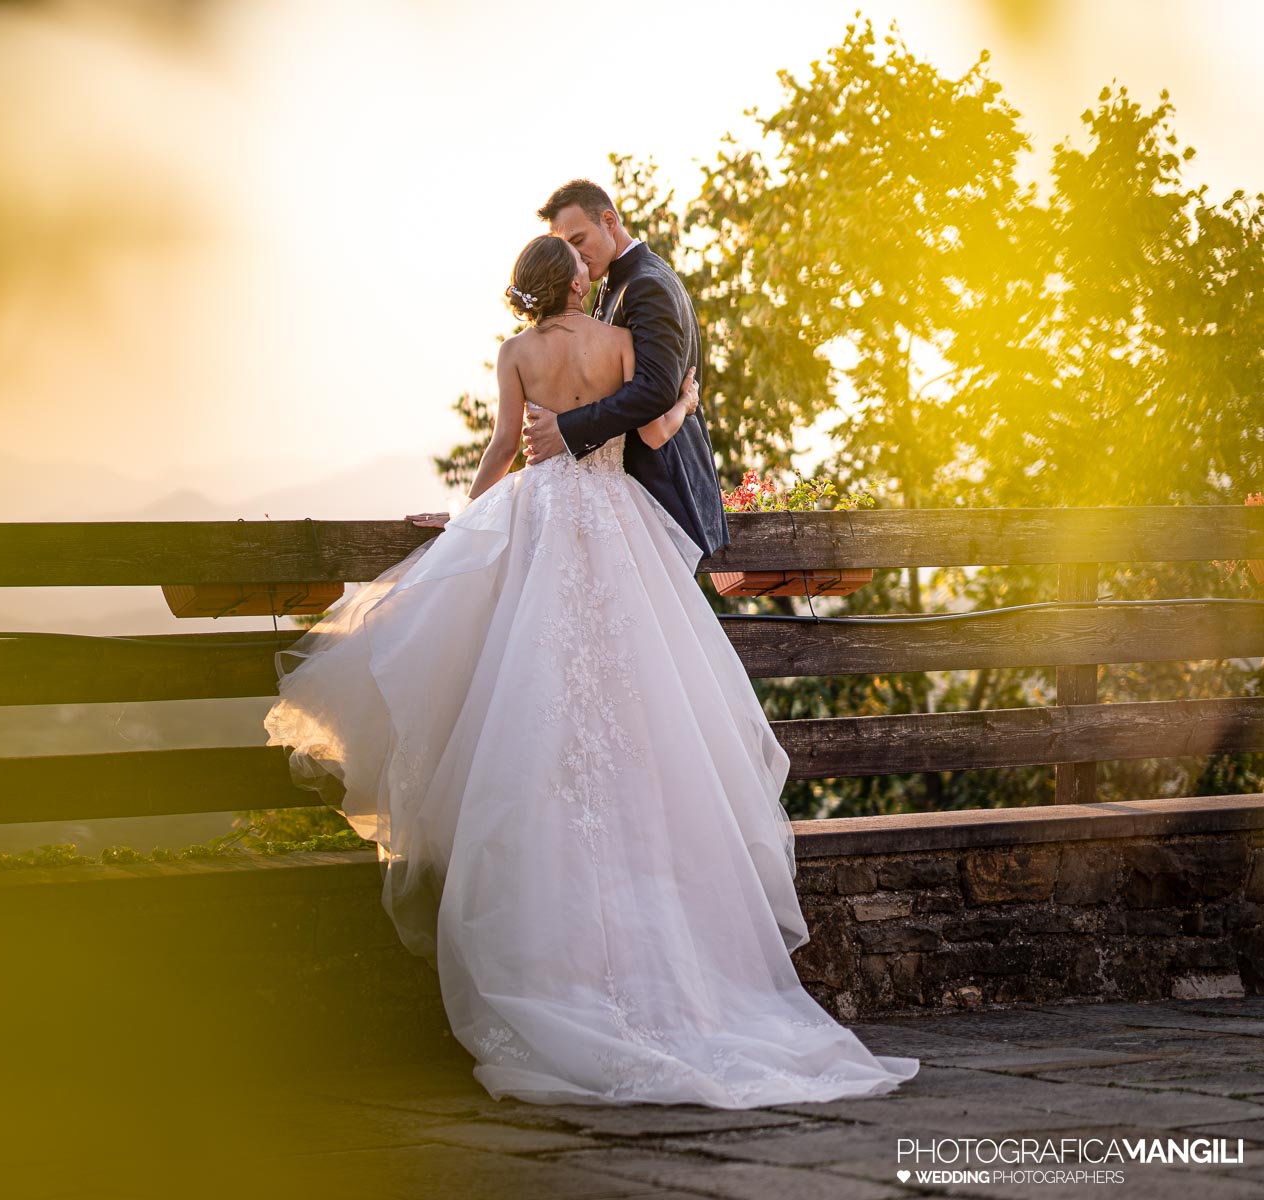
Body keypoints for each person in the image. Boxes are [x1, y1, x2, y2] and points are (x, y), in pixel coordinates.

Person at [261, 232, 919, 1108]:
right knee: (645, 712)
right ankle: (686, 974)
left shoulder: (515, 353)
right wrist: (684, 398)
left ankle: (556, 965)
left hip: (542, 524)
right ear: (572, 282)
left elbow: (503, 451)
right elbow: (650, 425)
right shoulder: (617, 342)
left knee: (536, 701)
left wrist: (462, 521)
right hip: (614, 523)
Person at [520, 179, 730, 566]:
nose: (576, 257)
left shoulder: (646, 284)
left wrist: (565, 428)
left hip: (661, 492)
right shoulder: (617, 281)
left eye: (579, 240)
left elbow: (653, 391)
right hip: (620, 504)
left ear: (609, 220)